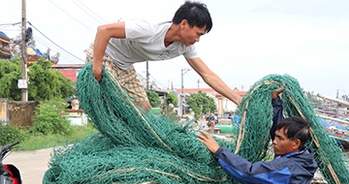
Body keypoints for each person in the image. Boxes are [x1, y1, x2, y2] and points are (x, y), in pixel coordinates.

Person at [86, 1, 241, 110]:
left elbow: (207, 75)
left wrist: (238, 100)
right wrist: (97, 67)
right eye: (198, 34)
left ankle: (127, 142)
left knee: (144, 108)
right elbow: (104, 31)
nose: (197, 40)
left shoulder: (185, 46)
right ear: (184, 24)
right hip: (105, 54)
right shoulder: (149, 28)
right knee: (119, 104)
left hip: (125, 66)